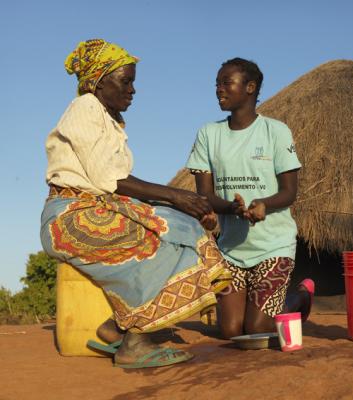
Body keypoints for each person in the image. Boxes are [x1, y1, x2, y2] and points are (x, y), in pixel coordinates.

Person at [40, 39, 231, 369]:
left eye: (132, 82)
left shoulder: (105, 118)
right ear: (99, 82)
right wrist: (176, 196)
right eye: (125, 81)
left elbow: (111, 183)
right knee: (165, 240)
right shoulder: (85, 107)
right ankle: (134, 340)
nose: (133, 90)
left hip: (89, 209)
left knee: (181, 226)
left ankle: (117, 327)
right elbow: (109, 181)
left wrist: (180, 205)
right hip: (71, 218)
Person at [186, 57, 313, 339]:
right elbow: (204, 194)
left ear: (250, 87)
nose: (219, 89)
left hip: (273, 246)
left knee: (257, 329)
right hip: (231, 249)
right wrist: (232, 208)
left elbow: (290, 192)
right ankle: (282, 302)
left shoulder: (276, 132)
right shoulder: (209, 134)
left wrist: (264, 205)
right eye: (217, 83)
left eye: (226, 82)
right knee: (231, 331)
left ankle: (300, 299)